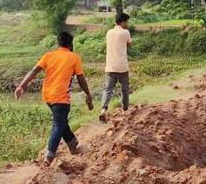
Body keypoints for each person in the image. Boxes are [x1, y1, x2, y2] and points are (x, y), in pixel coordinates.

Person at [14, 31, 93, 165]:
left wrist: (22, 86)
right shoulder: (74, 57)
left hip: (47, 96)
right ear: (70, 44)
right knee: (58, 124)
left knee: (60, 121)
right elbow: (81, 79)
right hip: (60, 97)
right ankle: (49, 155)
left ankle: (72, 142)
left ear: (58, 43)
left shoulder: (48, 55)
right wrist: (88, 94)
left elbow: (34, 70)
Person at [99, 12, 132, 123]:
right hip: (122, 67)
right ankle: (126, 110)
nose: (127, 24)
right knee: (125, 89)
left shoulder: (109, 32)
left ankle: (103, 110)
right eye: (126, 21)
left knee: (108, 90)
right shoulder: (125, 32)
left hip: (110, 67)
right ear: (122, 22)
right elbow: (129, 44)